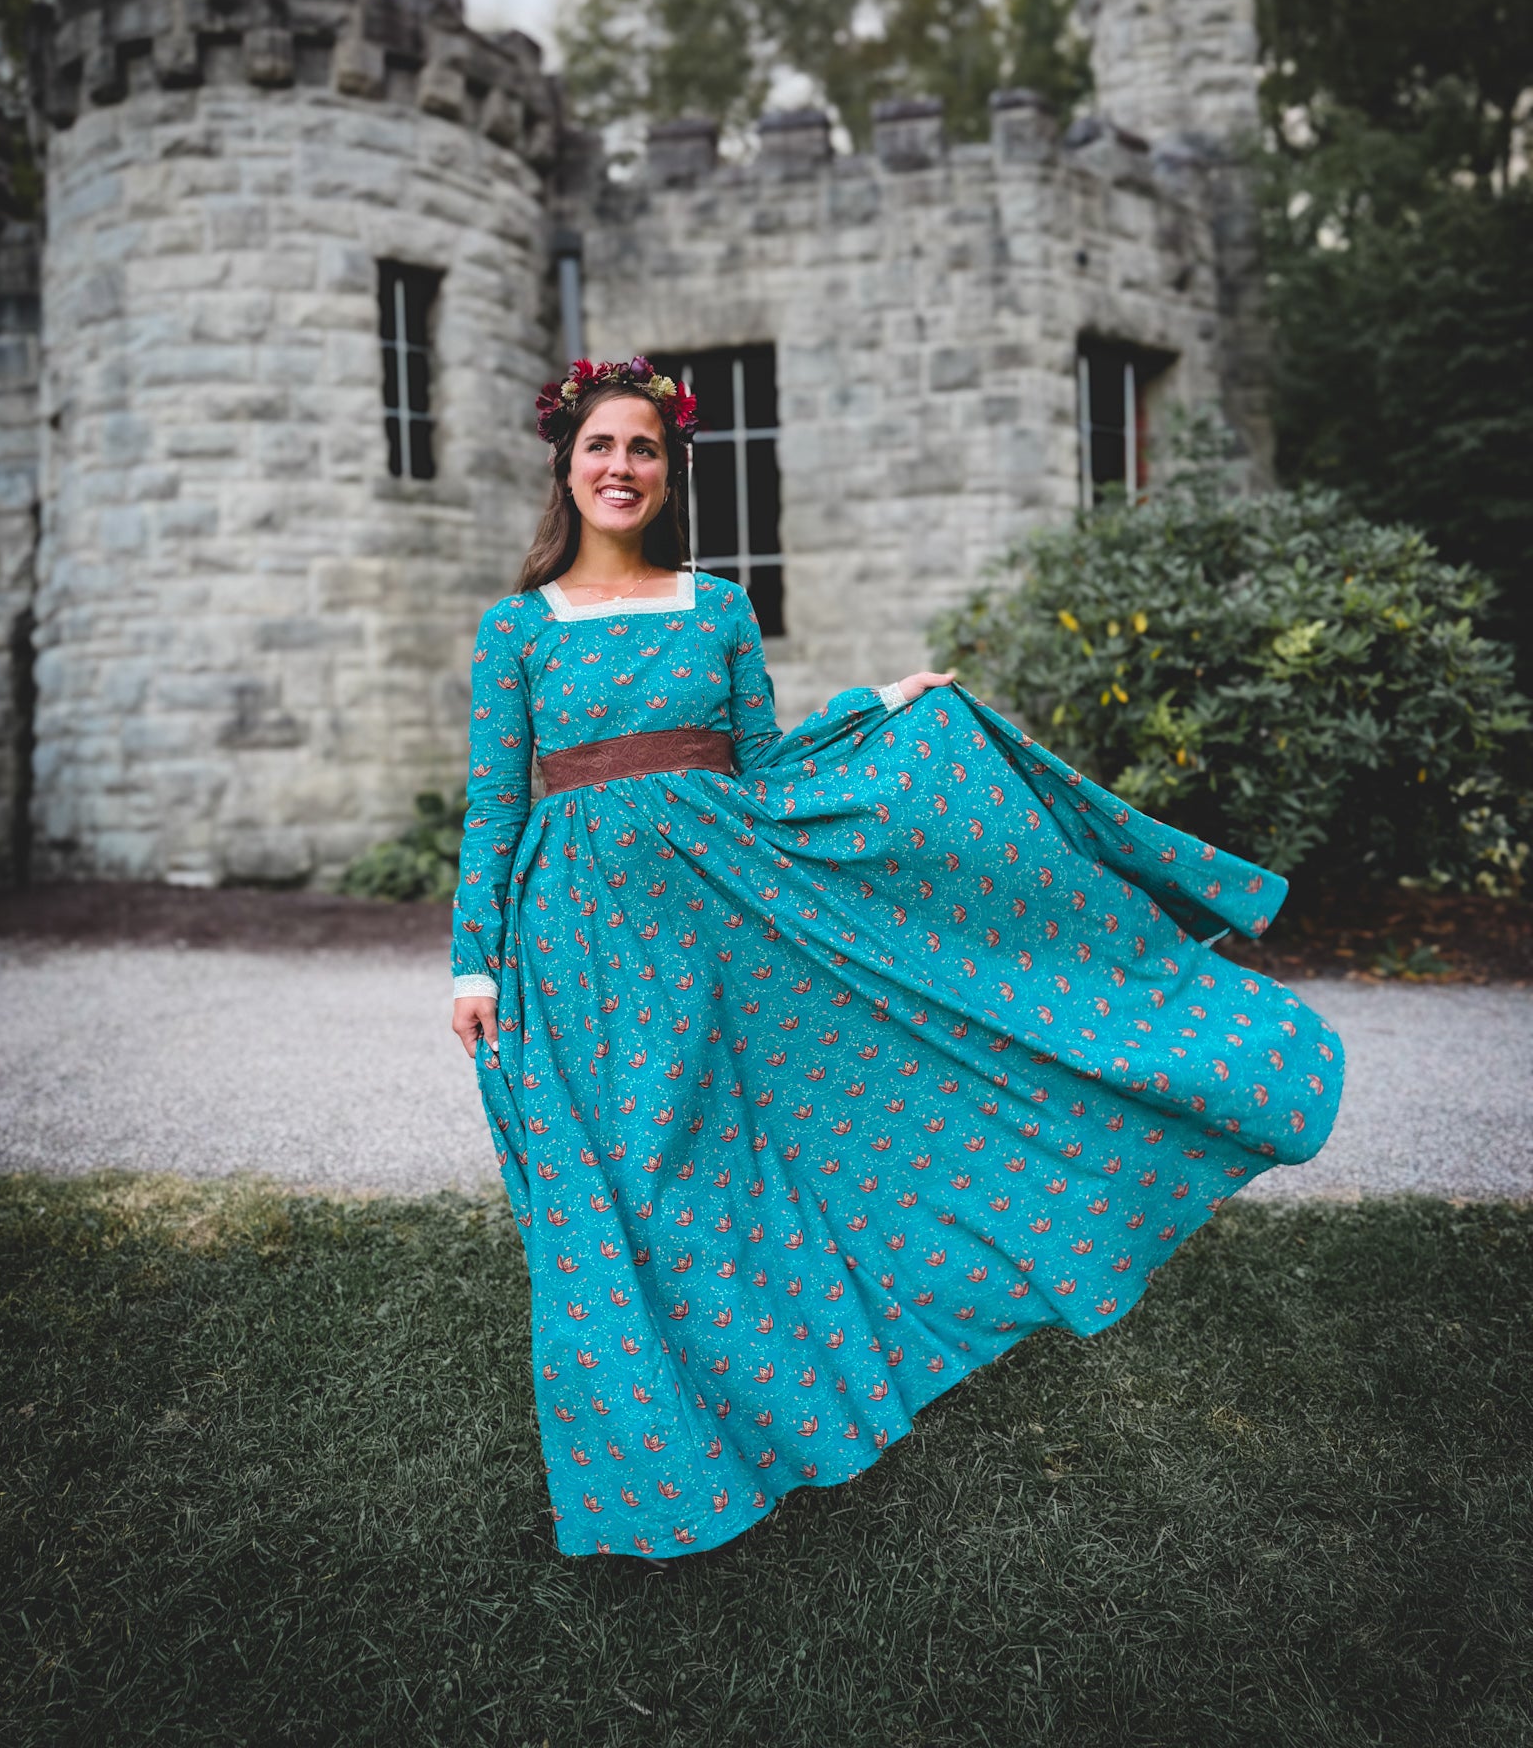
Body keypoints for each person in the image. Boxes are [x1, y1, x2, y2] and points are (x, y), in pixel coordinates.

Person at [450, 356, 1344, 1563]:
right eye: (602, 444)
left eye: (646, 448)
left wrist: (881, 706)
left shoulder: (715, 608)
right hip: (579, 945)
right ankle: (668, 1462)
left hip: (726, 922)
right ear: (566, 460)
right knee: (626, 1184)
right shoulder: (516, 630)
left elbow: (760, 769)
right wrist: (474, 964)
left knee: (741, 1158)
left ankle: (784, 1405)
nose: (622, 466)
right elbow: (495, 807)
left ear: (671, 470)